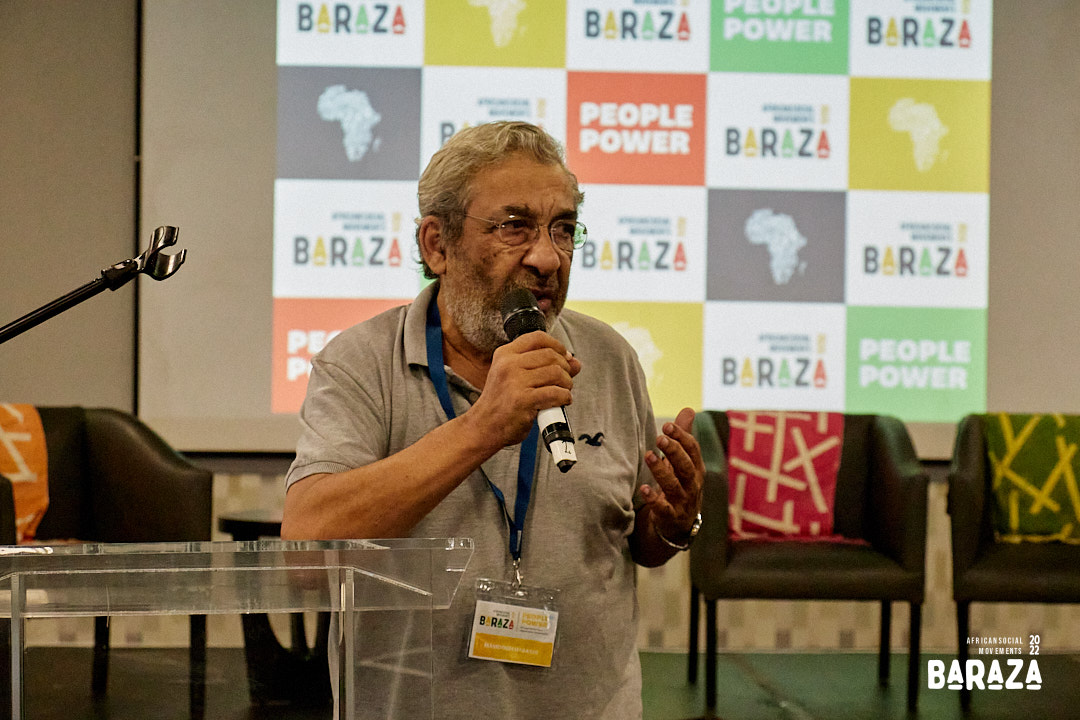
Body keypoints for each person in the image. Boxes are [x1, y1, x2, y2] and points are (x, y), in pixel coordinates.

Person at [281, 120, 704, 719]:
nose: (547, 257)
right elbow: (305, 553)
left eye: (564, 229)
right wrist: (483, 427)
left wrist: (673, 524)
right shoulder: (360, 362)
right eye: (514, 227)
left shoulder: (609, 358)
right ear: (438, 245)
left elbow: (636, 544)